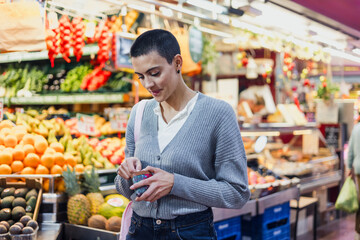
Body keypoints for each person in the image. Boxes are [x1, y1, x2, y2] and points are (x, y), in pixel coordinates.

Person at [115, 29, 250, 240]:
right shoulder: (139, 112)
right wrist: (125, 174)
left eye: (155, 73)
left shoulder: (217, 114)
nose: (148, 85)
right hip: (139, 230)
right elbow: (126, 188)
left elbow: (237, 193)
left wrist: (175, 184)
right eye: (141, 76)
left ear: (177, 63)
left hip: (190, 232)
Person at [347, 122, 360, 238]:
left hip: (358, 169)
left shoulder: (356, 128)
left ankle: (358, 230)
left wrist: (349, 167)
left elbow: (350, 150)